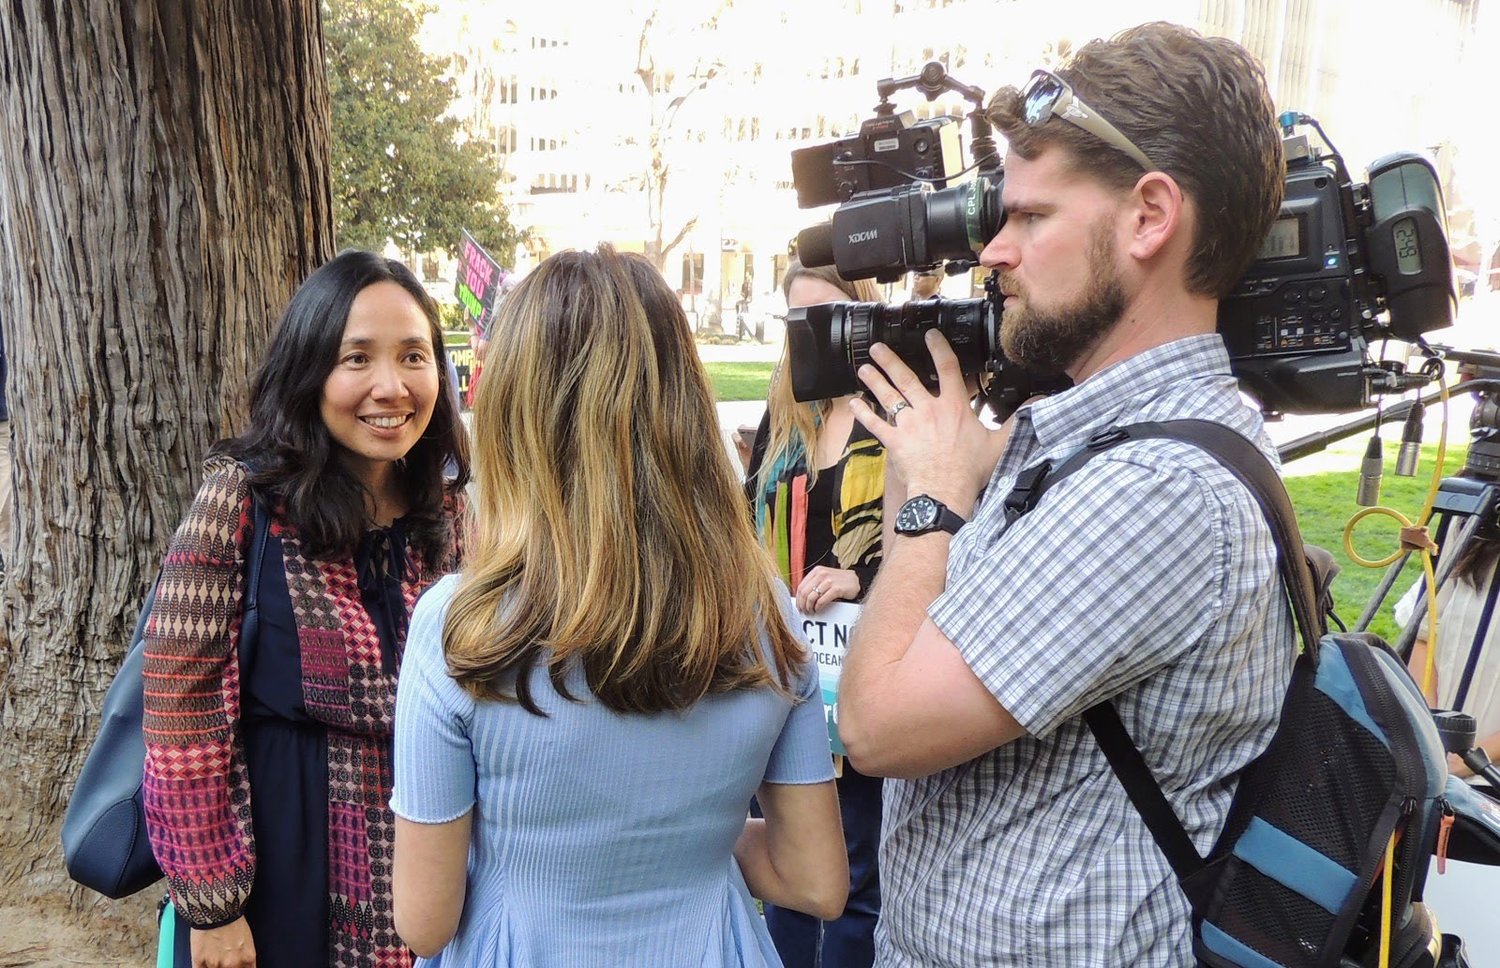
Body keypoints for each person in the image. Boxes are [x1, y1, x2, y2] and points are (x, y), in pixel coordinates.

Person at [834, 23, 1295, 966]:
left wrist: (927, 494)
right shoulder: (1094, 444)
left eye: (1033, 218)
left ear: (1150, 217)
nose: (994, 252)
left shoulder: (1156, 493)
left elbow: (874, 722)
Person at [389, 245, 848, 964]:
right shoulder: (766, 613)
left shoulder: (459, 629)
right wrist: (687, 829)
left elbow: (424, 918)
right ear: (685, 407)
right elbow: (815, 880)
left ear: (515, 418)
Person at [142, 251, 470, 968]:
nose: (392, 386)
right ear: (309, 370)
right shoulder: (242, 504)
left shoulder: (447, 514)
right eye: (357, 358)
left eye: (414, 356)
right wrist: (213, 905)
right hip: (281, 883)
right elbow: (181, 718)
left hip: (434, 881)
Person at [742, 259, 886, 968]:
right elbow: (745, 512)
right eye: (800, 322)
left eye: (829, 317)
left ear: (863, 315)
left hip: (860, 669)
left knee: (857, 869)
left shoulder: (897, 413)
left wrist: (859, 577)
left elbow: (937, 539)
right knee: (785, 857)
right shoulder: (786, 407)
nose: (815, 337)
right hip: (784, 663)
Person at [1397, 518, 1500, 776]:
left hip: (1489, 778)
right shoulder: (1473, 514)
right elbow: (1426, 633)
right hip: (1429, 760)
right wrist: (1428, 728)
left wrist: (1477, 757)